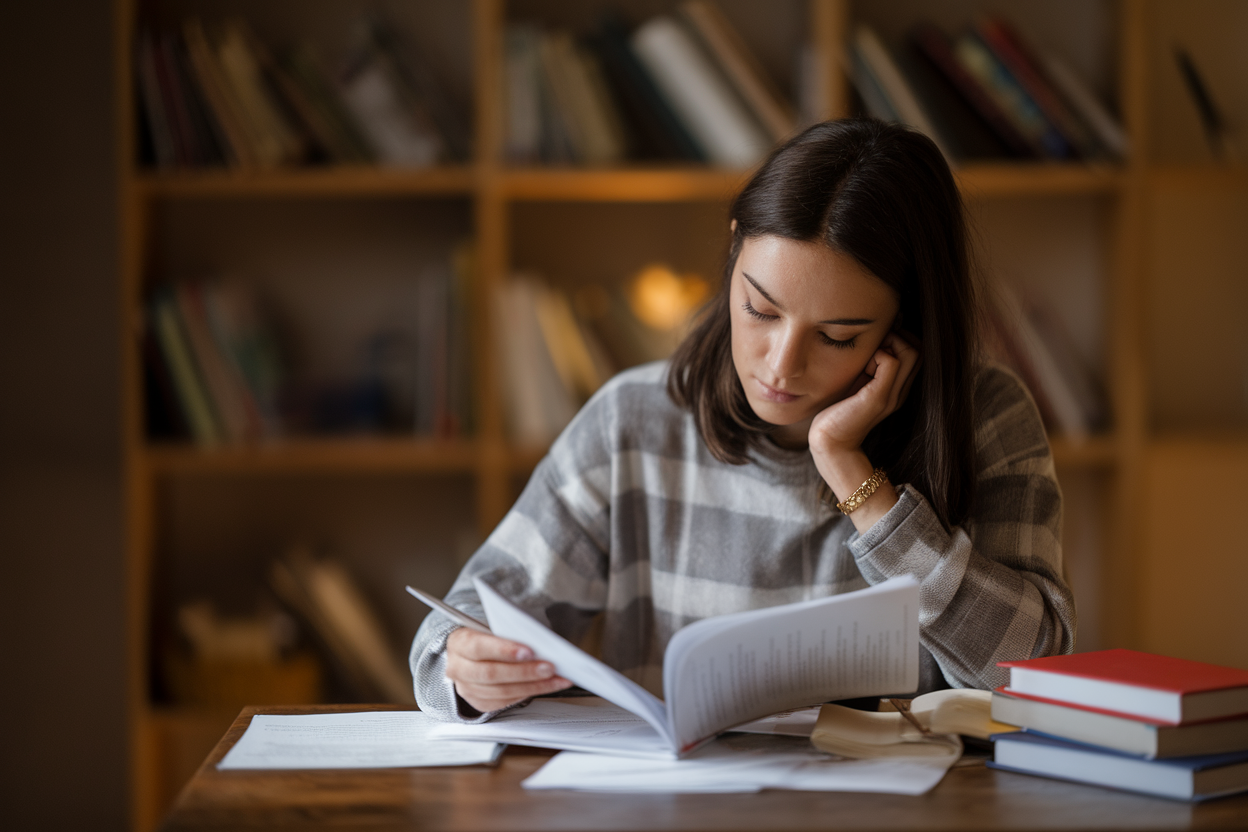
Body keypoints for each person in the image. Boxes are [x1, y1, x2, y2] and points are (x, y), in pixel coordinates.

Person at [410, 118, 1076, 721]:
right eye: (761, 310)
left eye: (837, 337)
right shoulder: (633, 420)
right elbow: (448, 635)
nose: (781, 366)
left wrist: (858, 483)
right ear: (734, 252)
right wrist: (467, 667)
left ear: (903, 329)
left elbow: (1032, 674)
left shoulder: (984, 417)